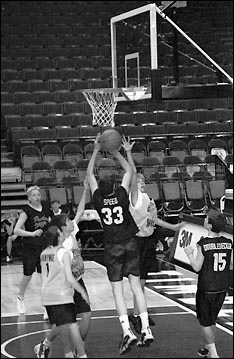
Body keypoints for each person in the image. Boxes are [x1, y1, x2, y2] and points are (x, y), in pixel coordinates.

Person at [87, 133, 154, 355]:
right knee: (137, 287)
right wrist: (119, 152)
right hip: (130, 243)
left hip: (112, 246)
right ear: (114, 182)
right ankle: (146, 328)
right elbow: (131, 172)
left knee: (117, 290)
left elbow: (88, 174)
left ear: (100, 183)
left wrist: (96, 150)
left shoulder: (97, 198)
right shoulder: (123, 194)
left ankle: (127, 331)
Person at [122, 136, 183, 334]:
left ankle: (138, 313)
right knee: (137, 280)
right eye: (138, 182)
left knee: (142, 280)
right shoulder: (134, 198)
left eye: (143, 182)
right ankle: (138, 315)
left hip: (148, 240)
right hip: (135, 242)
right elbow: (130, 174)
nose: (142, 184)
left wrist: (173, 228)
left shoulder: (148, 200)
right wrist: (128, 153)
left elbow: (154, 220)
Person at [34, 178, 91, 358]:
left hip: (76, 279)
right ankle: (64, 349)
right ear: (61, 227)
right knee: (66, 324)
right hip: (66, 284)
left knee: (86, 316)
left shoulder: (71, 231)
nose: (72, 220)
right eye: (68, 220)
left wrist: (85, 190)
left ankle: (74, 347)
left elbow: (80, 210)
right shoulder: (59, 247)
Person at [184, 209, 233, 359]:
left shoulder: (203, 244)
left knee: (204, 322)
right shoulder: (228, 243)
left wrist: (189, 254)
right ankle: (207, 348)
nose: (204, 220)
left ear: (210, 226)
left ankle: (214, 353)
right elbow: (231, 265)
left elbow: (197, 267)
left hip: (206, 287)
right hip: (222, 286)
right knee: (212, 319)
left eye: (206, 219)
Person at [37, 224, 88, 358]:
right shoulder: (65, 253)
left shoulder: (44, 254)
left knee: (63, 326)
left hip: (47, 295)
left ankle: (54, 349)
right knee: (72, 327)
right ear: (58, 237)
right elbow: (70, 279)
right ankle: (82, 356)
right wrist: (82, 292)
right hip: (61, 294)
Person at [14, 186, 51, 315]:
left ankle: (47, 305)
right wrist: (32, 233)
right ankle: (20, 297)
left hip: (44, 247)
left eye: (38, 195)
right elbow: (16, 230)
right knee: (27, 275)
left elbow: (51, 224)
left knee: (45, 276)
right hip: (30, 247)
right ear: (29, 198)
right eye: (34, 195)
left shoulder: (46, 208)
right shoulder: (26, 211)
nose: (37, 197)